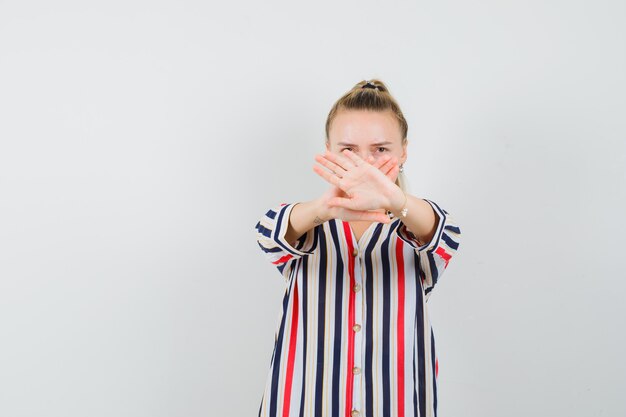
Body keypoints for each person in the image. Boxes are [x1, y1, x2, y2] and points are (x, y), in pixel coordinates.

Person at [254, 79, 462, 417]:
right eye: (348, 149)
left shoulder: (416, 225)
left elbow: (445, 234)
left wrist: (393, 198)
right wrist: (324, 209)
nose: (364, 163)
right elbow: (269, 233)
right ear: (329, 150)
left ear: (404, 151)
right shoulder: (309, 225)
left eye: (381, 149)